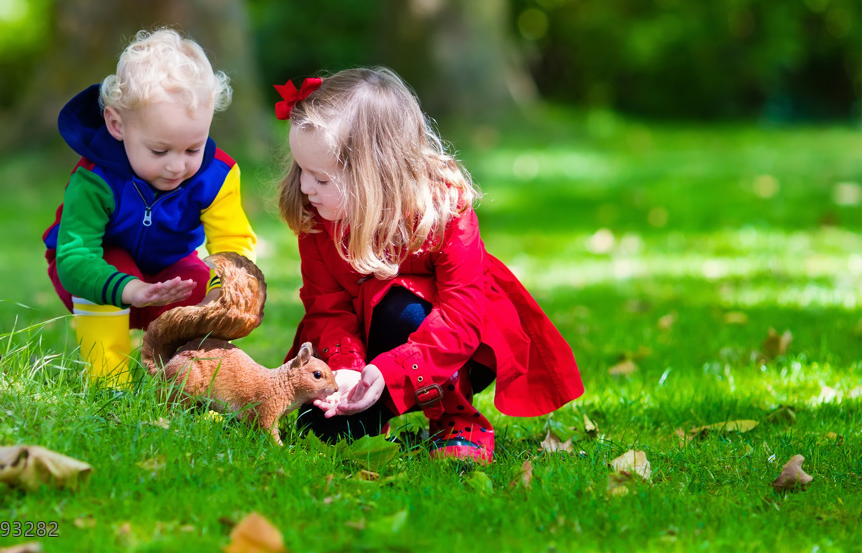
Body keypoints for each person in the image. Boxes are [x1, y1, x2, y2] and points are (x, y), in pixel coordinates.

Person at [275, 68, 583, 463]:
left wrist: (392, 370)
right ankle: (370, 408)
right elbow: (327, 307)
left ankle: (456, 419)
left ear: (375, 175)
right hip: (361, 343)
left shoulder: (443, 210)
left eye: (320, 177)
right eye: (302, 170)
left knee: (400, 307)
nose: (304, 187)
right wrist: (346, 369)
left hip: (450, 341)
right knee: (321, 432)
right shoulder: (317, 218)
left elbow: (462, 317)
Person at [43, 29, 257, 380]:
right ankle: (109, 381)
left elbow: (233, 241)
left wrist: (225, 291)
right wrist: (131, 290)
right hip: (96, 270)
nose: (177, 166)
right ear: (117, 125)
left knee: (205, 285)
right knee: (111, 265)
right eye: (159, 151)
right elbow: (75, 258)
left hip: (169, 270)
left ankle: (189, 384)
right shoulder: (95, 178)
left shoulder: (217, 174)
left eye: (192, 148)